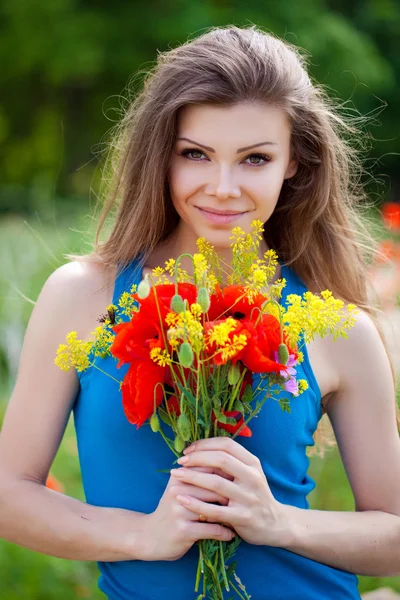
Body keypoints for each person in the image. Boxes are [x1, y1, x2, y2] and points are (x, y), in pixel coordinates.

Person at [0, 24, 399, 600]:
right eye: (196, 154)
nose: (222, 187)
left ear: (294, 163)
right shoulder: (83, 296)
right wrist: (143, 535)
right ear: (161, 155)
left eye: (255, 159)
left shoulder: (339, 328)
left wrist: (278, 521)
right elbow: (10, 497)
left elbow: (392, 532)